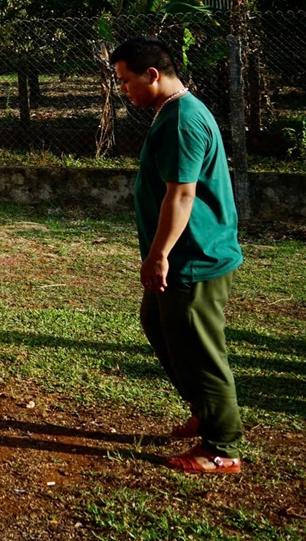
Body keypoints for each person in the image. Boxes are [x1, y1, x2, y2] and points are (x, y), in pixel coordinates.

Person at [111, 37, 244, 474]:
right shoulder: (171, 113)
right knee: (158, 322)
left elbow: (182, 195)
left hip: (193, 257)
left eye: (127, 81)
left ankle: (221, 447)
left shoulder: (184, 120)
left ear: (153, 74)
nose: (124, 90)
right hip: (184, 256)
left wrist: (159, 254)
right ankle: (205, 410)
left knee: (199, 348)